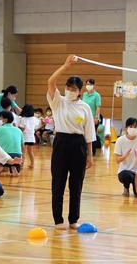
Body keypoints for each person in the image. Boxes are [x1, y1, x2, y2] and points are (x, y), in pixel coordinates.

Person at [47, 55, 96, 230]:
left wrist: (90, 156)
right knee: (58, 183)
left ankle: (74, 219)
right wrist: (65, 65)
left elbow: (89, 132)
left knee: (76, 184)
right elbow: (51, 82)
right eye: (68, 87)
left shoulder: (85, 107)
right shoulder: (58, 101)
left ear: (80, 91)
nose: (70, 90)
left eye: (74, 88)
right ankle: (58, 220)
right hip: (61, 142)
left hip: (79, 145)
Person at [114, 117, 137, 197]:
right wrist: (124, 156)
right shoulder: (120, 140)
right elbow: (117, 160)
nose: (133, 129)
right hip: (125, 171)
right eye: (131, 126)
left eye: (135, 127)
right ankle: (126, 187)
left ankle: (136, 186)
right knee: (126, 176)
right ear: (126, 128)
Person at [0, 111, 24, 177]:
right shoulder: (18, 130)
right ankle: (12, 166)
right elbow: (22, 146)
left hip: (6, 156)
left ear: (5, 119)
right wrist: (23, 157)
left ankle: (1, 166)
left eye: (0, 118)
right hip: (17, 156)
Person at [82, 79, 101, 155]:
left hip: (93, 118)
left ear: (93, 85)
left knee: (92, 135)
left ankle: (92, 152)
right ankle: (84, 150)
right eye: (87, 84)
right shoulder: (84, 94)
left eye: (90, 84)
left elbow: (98, 107)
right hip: (84, 118)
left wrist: (96, 117)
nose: (88, 86)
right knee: (84, 134)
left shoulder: (97, 95)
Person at [19, 104, 38, 169]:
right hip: (31, 137)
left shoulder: (23, 119)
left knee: (23, 152)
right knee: (30, 152)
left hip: (24, 137)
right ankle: (32, 164)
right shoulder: (34, 119)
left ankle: (21, 164)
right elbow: (36, 126)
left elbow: (22, 128)